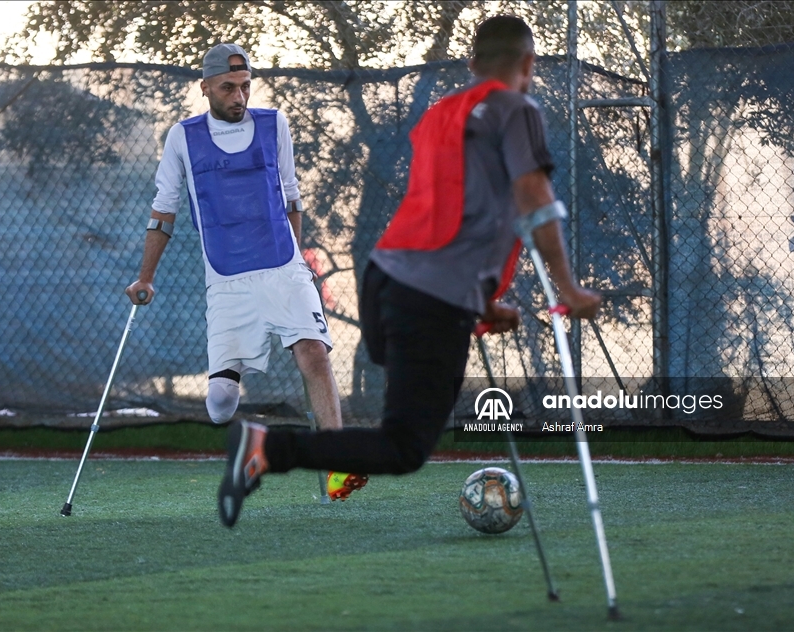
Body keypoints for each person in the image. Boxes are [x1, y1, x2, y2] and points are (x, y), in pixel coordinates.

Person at [217, 16, 601, 528]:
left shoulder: (442, 114)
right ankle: (268, 448)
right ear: (527, 65)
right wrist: (568, 287)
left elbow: (450, 214)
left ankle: (271, 448)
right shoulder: (516, 108)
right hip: (431, 296)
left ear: (471, 65)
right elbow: (534, 197)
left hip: (387, 282)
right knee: (405, 446)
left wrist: (482, 303)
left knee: (403, 423)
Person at [126, 43, 367, 501]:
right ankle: (252, 437)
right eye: (228, 88)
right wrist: (145, 277)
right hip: (228, 281)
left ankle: (339, 464)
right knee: (220, 405)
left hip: (283, 267)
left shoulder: (274, 124)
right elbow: (163, 212)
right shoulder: (183, 137)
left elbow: (292, 196)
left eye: (245, 86)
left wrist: (295, 263)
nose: (239, 97)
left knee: (313, 353)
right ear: (206, 88)